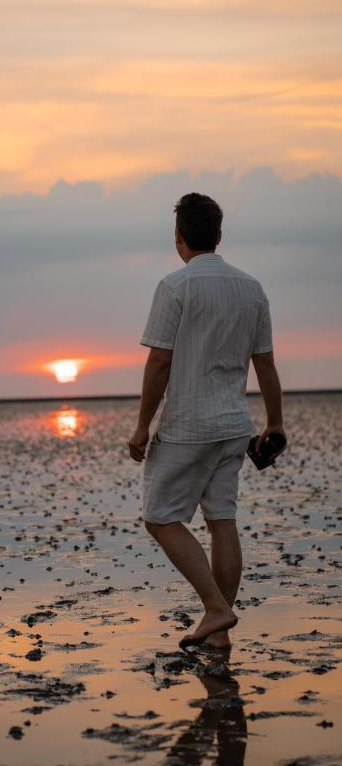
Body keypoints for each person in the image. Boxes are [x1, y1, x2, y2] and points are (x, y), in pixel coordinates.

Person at [128, 192, 286, 650]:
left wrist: (142, 426)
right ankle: (218, 634)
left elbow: (159, 361)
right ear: (218, 235)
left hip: (187, 426)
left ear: (179, 238)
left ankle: (216, 609)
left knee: (160, 518)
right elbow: (267, 364)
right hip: (235, 424)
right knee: (222, 520)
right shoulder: (252, 288)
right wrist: (274, 423)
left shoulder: (175, 286)